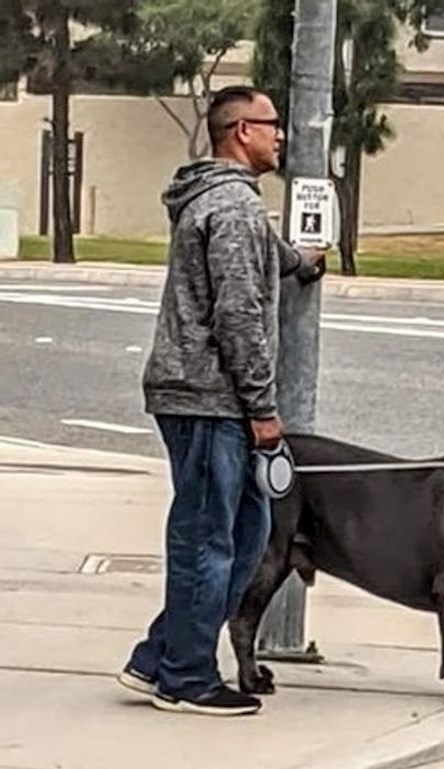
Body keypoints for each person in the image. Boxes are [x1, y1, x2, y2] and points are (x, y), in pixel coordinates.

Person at [117, 85, 325, 716]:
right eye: (271, 124)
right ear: (240, 132)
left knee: (245, 529)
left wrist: (299, 261)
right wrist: (263, 410)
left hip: (206, 397)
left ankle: (159, 657)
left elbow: (254, 260)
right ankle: (184, 677)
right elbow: (237, 313)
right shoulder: (232, 208)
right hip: (211, 399)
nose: (281, 134)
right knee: (210, 538)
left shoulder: (222, 203)